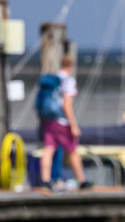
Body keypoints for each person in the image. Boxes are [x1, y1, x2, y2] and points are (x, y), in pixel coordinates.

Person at [35, 54, 88, 190]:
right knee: (72, 151)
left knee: (48, 149)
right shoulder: (68, 81)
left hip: (49, 121)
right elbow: (67, 105)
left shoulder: (53, 79)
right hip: (62, 122)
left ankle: (45, 180)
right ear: (71, 66)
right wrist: (74, 126)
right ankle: (82, 180)